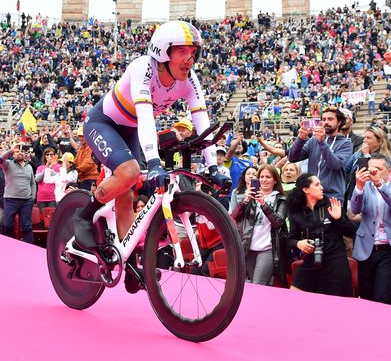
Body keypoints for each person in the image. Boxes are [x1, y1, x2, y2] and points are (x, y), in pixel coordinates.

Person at [71, 21, 229, 293]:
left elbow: (202, 123)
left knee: (128, 195)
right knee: (131, 173)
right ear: (163, 52)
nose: (190, 59)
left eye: (194, 53)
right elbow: (145, 116)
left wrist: (214, 166)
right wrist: (153, 162)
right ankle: (83, 216)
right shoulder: (142, 67)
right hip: (104, 123)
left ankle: (129, 261)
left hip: (131, 128)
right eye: (182, 52)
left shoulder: (189, 79)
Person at [349, 154, 391, 304]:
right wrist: (358, 187)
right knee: (366, 295)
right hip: (366, 248)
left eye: (378, 169)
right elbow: (354, 209)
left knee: (382, 296)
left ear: (389, 171)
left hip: (388, 249)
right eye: (371, 168)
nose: (374, 172)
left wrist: (380, 185)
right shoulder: (364, 187)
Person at [287, 173, 355, 296]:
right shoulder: (296, 212)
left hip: (335, 262)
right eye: (317, 184)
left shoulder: (332, 204)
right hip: (312, 261)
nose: (322, 187)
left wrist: (339, 218)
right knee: (293, 296)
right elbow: (289, 240)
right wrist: (298, 243)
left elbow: (350, 232)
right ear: (305, 189)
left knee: (338, 305)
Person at [230, 166, 288, 286]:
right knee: (255, 284)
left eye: (268, 177)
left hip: (268, 249)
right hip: (249, 248)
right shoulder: (250, 198)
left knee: (257, 284)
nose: (264, 180)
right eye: (261, 177)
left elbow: (278, 222)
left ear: (275, 180)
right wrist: (244, 201)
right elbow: (234, 217)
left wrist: (263, 203)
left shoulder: (281, 200)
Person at [288, 106, 353, 201]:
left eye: (330, 119)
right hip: (312, 195)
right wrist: (300, 139)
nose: (326, 122)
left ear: (339, 122)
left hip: (332, 197)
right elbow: (293, 158)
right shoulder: (313, 140)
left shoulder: (345, 143)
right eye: (324, 119)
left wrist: (322, 142)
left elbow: (336, 165)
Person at [0, 142, 37, 244]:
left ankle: (29, 247)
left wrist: (32, 197)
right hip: (10, 200)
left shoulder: (29, 167)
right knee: (8, 224)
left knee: (27, 226)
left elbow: (33, 183)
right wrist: (11, 150)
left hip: (26, 201)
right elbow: (0, 159)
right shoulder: (8, 164)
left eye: (21, 151)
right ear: (13, 154)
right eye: (17, 151)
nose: (20, 152)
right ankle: (11, 244)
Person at [74, 126, 99, 191]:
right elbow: (75, 162)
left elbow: (88, 164)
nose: (81, 138)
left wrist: (76, 171)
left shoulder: (91, 147)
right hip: (83, 178)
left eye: (83, 136)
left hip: (90, 178)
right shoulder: (81, 148)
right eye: (79, 136)